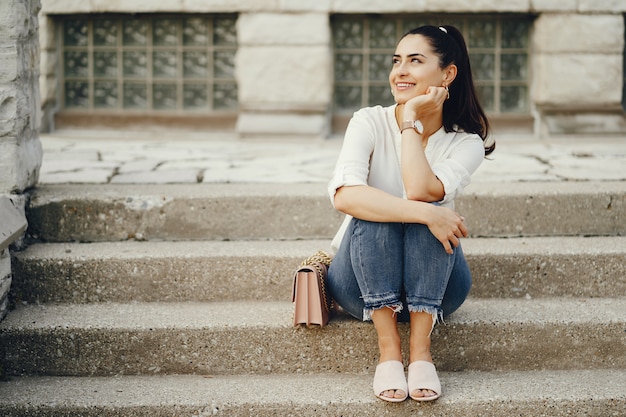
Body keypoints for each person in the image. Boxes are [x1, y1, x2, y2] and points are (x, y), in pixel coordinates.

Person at [326, 24, 494, 402]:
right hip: (359, 284)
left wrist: (409, 124)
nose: (400, 70)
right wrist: (426, 214)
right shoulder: (368, 121)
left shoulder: (466, 143)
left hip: (438, 290)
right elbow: (345, 196)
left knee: (425, 206)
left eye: (415, 61)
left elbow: (420, 189)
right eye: (396, 61)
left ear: (447, 74)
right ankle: (389, 352)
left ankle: (420, 353)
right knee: (389, 210)